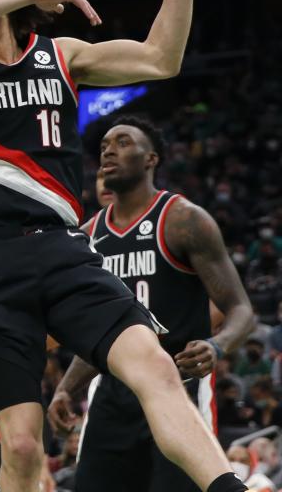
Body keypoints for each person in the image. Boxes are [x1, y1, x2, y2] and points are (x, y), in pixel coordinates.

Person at [0, 0, 248, 492]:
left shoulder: (61, 56)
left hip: (67, 251)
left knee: (154, 366)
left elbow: (160, 59)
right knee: (20, 445)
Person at [48, 117, 256, 492]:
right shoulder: (88, 237)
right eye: (105, 146)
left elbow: (241, 309)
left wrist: (216, 345)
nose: (109, 150)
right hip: (114, 394)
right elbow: (98, 334)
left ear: (151, 159)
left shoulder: (183, 220)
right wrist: (66, 387)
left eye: (124, 142)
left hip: (180, 385)